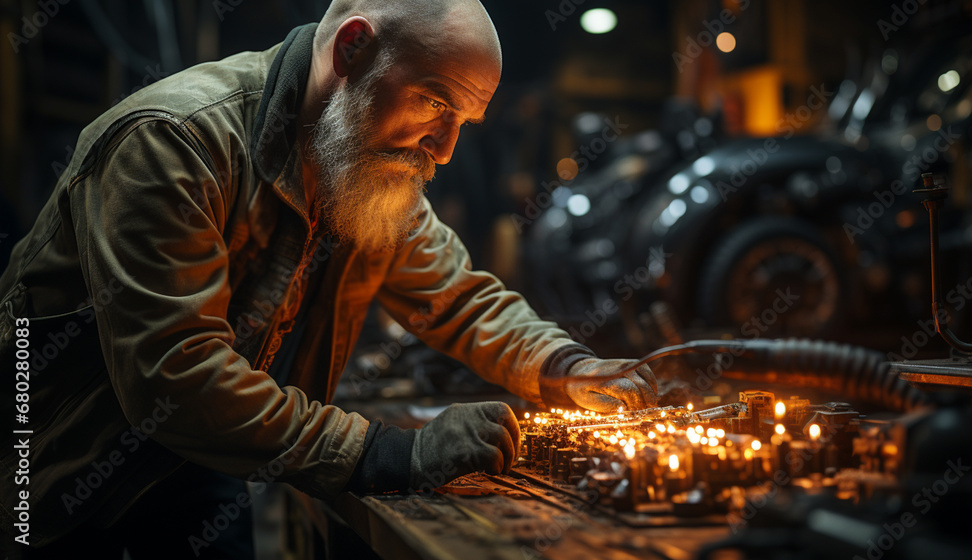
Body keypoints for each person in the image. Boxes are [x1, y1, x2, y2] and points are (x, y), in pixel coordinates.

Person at [0, 0, 656, 556]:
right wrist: (388, 454)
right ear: (352, 48)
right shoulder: (175, 144)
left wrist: (568, 366)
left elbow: (458, 299)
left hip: (206, 467)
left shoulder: (363, 163)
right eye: (434, 103)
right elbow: (178, 374)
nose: (446, 147)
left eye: (463, 122)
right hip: (62, 492)